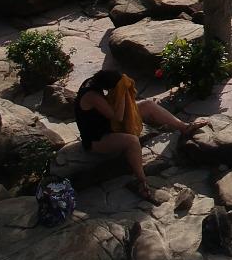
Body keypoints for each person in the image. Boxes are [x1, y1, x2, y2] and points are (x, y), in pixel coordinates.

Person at [74, 69, 205, 202]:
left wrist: (123, 87)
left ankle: (184, 127)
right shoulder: (92, 96)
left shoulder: (94, 82)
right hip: (96, 139)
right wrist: (124, 92)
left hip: (108, 125)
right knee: (132, 141)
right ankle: (141, 180)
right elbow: (117, 117)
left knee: (148, 105)